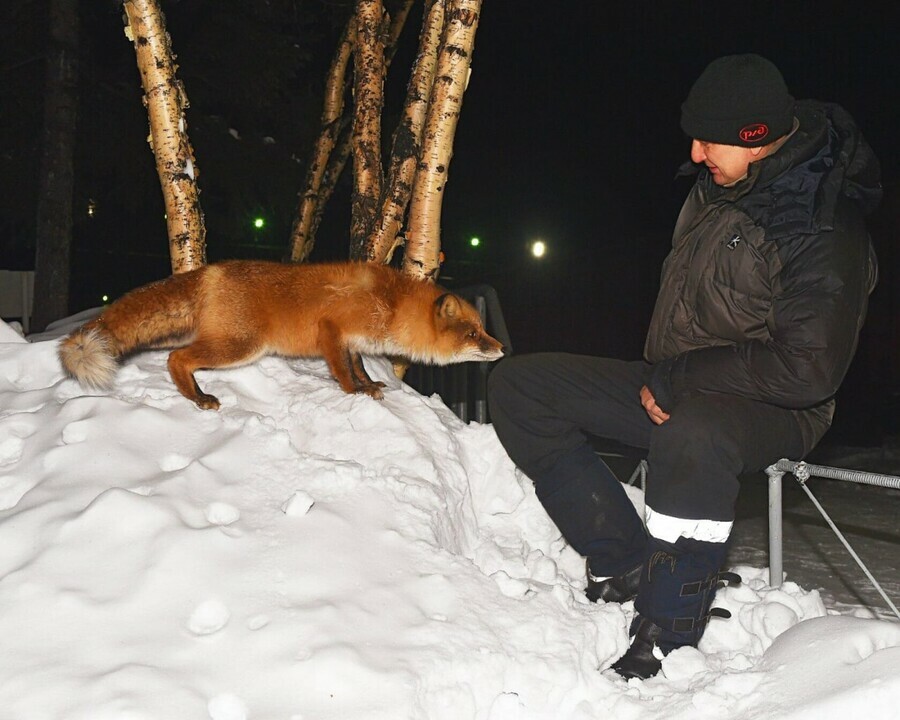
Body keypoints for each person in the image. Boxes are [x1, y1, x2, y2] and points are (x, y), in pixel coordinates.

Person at [487, 54, 881, 680]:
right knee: (521, 386)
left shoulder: (821, 226)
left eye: (709, 139)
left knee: (691, 434)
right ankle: (625, 560)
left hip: (775, 406)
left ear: (755, 138)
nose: (695, 154)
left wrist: (680, 380)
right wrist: (666, 375)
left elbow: (808, 368)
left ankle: (669, 625)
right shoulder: (726, 183)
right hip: (673, 380)